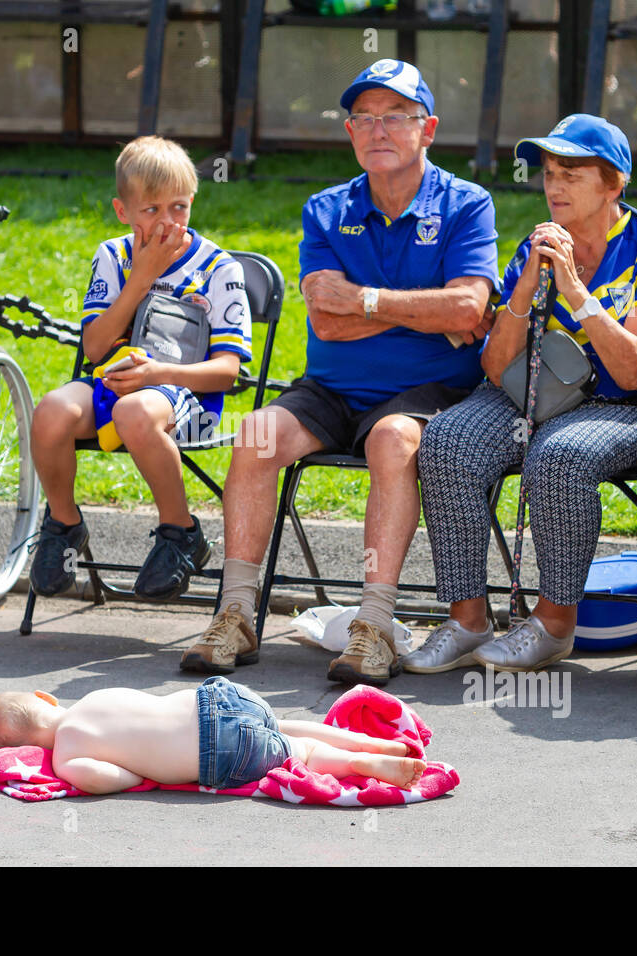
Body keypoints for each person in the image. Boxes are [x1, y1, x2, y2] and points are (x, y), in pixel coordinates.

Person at [180, 59, 499, 686]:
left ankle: (375, 625)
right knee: (255, 436)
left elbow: (469, 308)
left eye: (396, 118)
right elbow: (326, 324)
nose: (378, 130)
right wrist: (423, 308)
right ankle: (236, 614)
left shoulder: (466, 203)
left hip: (429, 391)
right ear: (351, 133)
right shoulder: (325, 209)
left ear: (427, 129)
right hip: (329, 388)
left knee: (392, 439)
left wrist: (367, 299)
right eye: (364, 119)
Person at [410, 114, 637, 674]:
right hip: (533, 392)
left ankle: (555, 624)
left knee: (559, 456)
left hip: (623, 407)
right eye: (550, 173)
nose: (554, 186)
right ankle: (467, 621)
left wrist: (578, 296)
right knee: (445, 442)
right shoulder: (534, 246)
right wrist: (524, 289)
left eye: (572, 175)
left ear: (614, 184)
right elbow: (493, 365)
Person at [27, 136, 251, 601]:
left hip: (185, 397)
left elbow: (227, 372)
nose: (167, 222)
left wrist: (156, 376)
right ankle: (64, 523)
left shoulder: (218, 268)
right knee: (51, 410)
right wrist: (142, 277)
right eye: (151, 210)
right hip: (111, 382)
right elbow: (93, 347)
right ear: (122, 210)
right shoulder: (113, 256)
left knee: (134, 413)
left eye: (179, 207)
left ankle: (180, 530)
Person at [0, 679, 426, 793]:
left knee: (298, 751)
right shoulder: (94, 697)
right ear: (46, 698)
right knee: (281, 724)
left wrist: (135, 773)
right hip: (222, 698)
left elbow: (108, 779)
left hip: (221, 753)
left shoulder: (65, 758)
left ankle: (361, 766)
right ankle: (370, 742)